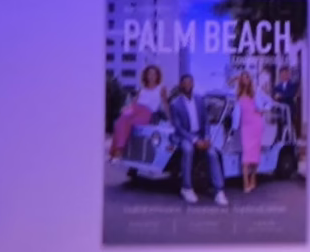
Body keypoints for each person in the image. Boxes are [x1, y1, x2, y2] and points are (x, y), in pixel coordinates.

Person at [167, 74, 224, 207]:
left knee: (212, 153)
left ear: (193, 84)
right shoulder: (175, 104)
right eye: (185, 82)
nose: (187, 85)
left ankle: (219, 191)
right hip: (184, 136)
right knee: (188, 149)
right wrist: (194, 140)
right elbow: (178, 127)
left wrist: (207, 137)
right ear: (181, 85)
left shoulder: (200, 100)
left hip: (201, 135)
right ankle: (186, 188)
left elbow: (206, 122)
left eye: (190, 82)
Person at [110, 61, 164, 161]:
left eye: (154, 74)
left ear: (157, 76)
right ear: (146, 75)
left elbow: (166, 104)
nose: (151, 76)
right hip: (136, 109)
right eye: (149, 74)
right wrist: (126, 109)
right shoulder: (142, 89)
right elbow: (134, 103)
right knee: (120, 121)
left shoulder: (161, 89)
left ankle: (120, 149)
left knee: (130, 123)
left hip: (147, 112)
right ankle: (117, 151)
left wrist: (171, 119)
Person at [234, 71, 266, 194]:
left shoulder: (256, 91)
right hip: (245, 126)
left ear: (250, 79)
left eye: (247, 77)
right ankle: (245, 183)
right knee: (246, 154)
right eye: (243, 78)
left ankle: (253, 178)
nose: (245, 80)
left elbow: (268, 102)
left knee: (255, 154)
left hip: (256, 124)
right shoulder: (237, 93)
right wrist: (234, 79)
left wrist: (263, 110)